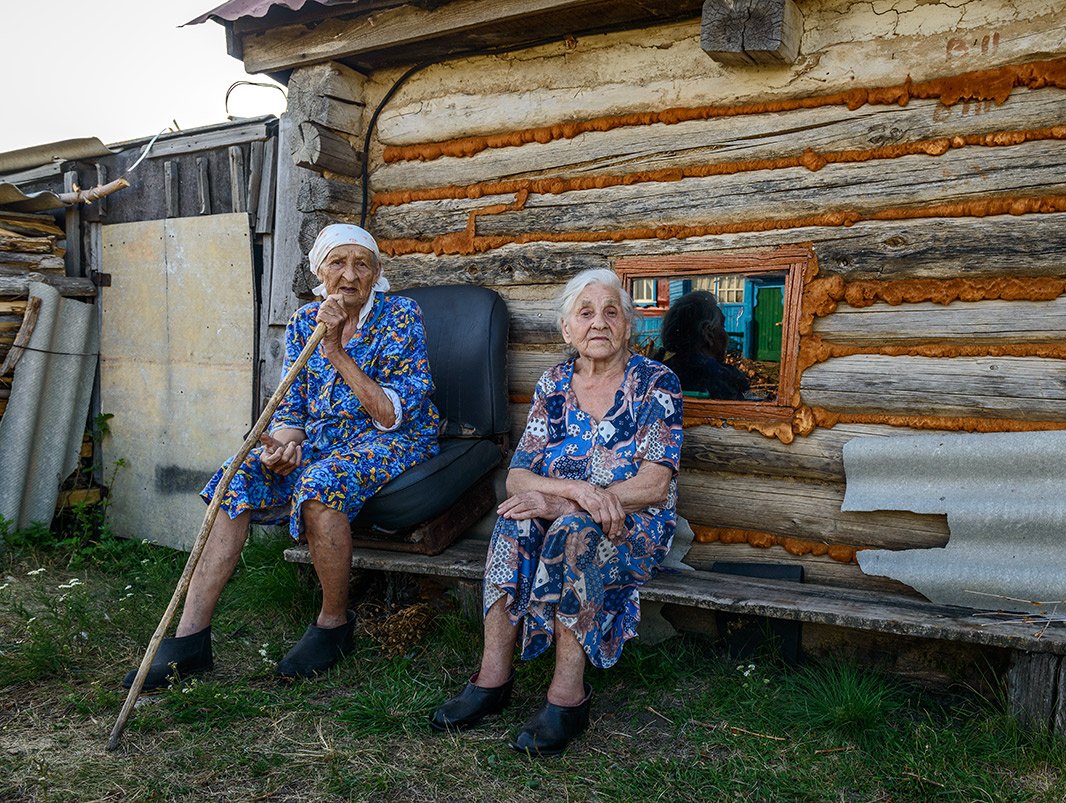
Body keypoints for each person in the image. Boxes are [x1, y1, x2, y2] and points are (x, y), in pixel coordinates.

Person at [123, 224, 439, 689]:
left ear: (376, 274)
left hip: (393, 437)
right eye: (337, 263)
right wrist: (284, 446)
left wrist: (335, 352)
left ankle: (333, 625)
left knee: (319, 484)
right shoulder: (301, 322)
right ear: (319, 272)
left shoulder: (401, 316)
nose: (349, 275)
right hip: (324, 437)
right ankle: (190, 640)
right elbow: (291, 408)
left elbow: (389, 414)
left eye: (361, 264)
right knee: (237, 477)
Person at [431, 268, 684, 757]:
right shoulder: (554, 383)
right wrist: (575, 492)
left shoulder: (657, 383)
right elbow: (520, 477)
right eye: (585, 313)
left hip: (631, 523)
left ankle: (567, 696)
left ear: (628, 326)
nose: (599, 323)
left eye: (612, 312)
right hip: (575, 506)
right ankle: (492, 679)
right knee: (514, 517)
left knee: (572, 529)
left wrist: (573, 503)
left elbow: (654, 485)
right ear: (567, 329)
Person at [655, 290, 750, 400]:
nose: (725, 335)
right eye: (722, 327)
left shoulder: (658, 372)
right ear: (708, 334)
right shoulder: (724, 377)